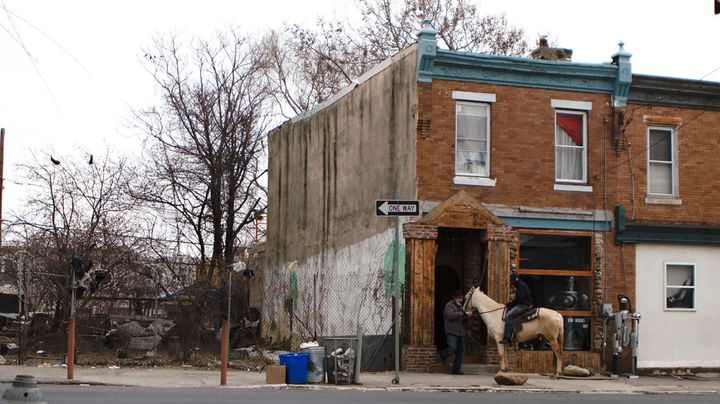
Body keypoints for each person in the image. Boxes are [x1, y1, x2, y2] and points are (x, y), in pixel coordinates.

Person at [440, 289, 473, 375]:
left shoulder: (461, 307)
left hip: (461, 332)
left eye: (461, 298)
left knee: (460, 352)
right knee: (452, 348)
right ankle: (443, 354)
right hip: (452, 331)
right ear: (454, 298)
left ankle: (456, 369)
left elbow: (463, 320)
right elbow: (450, 315)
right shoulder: (449, 305)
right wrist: (463, 313)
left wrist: (467, 317)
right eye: (459, 298)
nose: (461, 300)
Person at [501, 273, 533, 344]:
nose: (511, 283)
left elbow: (519, 299)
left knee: (509, 315)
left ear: (515, 280)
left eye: (512, 281)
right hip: (522, 304)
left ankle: (507, 337)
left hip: (524, 305)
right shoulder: (520, 285)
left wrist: (510, 304)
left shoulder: (521, 285)